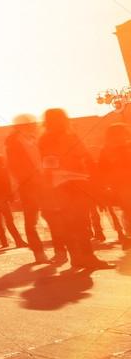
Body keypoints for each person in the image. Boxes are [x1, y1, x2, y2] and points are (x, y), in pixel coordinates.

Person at [39, 108, 112, 270]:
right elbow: (84, 157)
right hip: (70, 184)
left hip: (64, 184)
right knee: (79, 223)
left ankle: (78, 258)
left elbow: (50, 164)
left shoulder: (47, 139)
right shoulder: (62, 137)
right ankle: (86, 258)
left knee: (73, 224)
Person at [5, 114, 50, 263]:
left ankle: (59, 249)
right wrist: (26, 180)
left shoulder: (37, 139)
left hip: (44, 183)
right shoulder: (14, 143)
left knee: (51, 216)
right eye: (31, 124)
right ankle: (39, 252)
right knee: (31, 220)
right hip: (29, 185)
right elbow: (14, 167)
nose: (34, 126)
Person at [95, 123, 131, 248]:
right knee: (127, 210)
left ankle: (125, 235)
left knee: (126, 211)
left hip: (120, 184)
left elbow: (101, 169)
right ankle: (126, 235)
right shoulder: (108, 150)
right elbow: (102, 169)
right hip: (121, 185)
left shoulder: (110, 149)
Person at [0, 154, 25, 248]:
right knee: (9, 220)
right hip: (1, 198)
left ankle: (4, 242)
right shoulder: (1, 170)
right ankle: (18, 241)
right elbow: (6, 184)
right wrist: (10, 196)